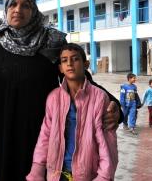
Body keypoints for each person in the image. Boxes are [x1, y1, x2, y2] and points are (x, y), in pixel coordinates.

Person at [0, 0, 122, 181]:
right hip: (3, 135)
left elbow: (80, 79)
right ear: (6, 9)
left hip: (44, 136)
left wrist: (114, 104)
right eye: (13, 4)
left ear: (34, 11)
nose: (18, 10)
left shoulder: (52, 42)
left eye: (25, 6)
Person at [26, 43, 118, 181]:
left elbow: (107, 143)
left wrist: (104, 176)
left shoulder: (99, 97)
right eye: (64, 60)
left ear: (85, 64)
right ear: (60, 68)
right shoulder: (53, 98)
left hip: (86, 174)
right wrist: (37, 169)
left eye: (75, 59)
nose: (69, 63)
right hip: (57, 173)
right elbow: (45, 136)